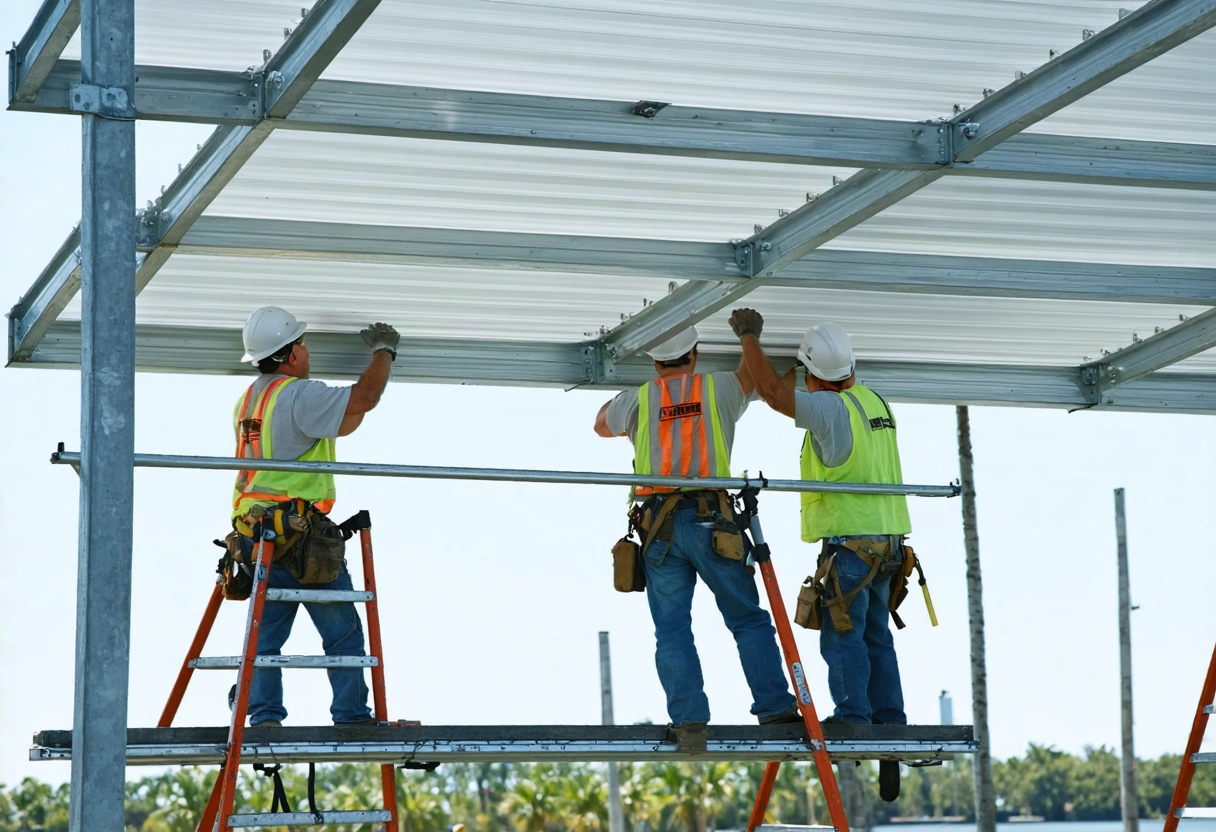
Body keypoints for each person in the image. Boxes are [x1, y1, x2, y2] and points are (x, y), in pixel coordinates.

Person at [728, 307, 910, 800]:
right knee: (876, 637)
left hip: (851, 546)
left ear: (813, 374)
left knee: (844, 636)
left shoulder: (829, 411)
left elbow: (773, 394)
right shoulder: (873, 401)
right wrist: (803, 370)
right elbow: (794, 389)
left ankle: (853, 718)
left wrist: (749, 336)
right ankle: (889, 729)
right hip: (888, 545)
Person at [593, 325, 799, 752]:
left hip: (659, 529)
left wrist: (633, 400)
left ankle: (688, 722)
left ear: (654, 361)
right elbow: (757, 377)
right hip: (712, 523)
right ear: (696, 353)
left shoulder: (640, 399)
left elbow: (599, 424)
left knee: (671, 630)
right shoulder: (719, 387)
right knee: (747, 619)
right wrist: (749, 336)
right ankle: (776, 710)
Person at [232, 306, 399, 728]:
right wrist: (384, 352)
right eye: (302, 344)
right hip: (299, 536)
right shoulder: (299, 394)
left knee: (265, 637)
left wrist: (354, 403)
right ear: (290, 355)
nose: (308, 351)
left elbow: (342, 421)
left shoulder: (253, 398)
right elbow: (366, 399)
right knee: (341, 632)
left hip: (258, 533)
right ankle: (351, 716)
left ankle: (264, 716)